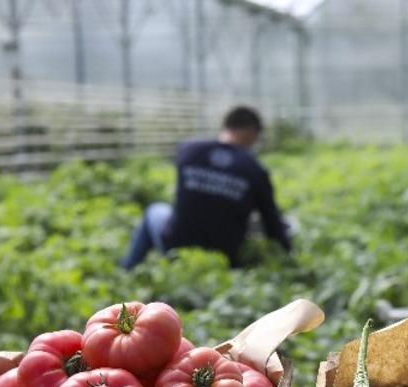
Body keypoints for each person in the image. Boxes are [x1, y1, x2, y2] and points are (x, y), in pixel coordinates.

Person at [120, 106, 292, 269]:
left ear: (225, 126)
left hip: (175, 245)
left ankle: (128, 268)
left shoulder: (188, 150)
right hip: (225, 257)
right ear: (252, 132)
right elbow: (272, 222)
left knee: (155, 210)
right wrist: (289, 254)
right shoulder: (254, 169)